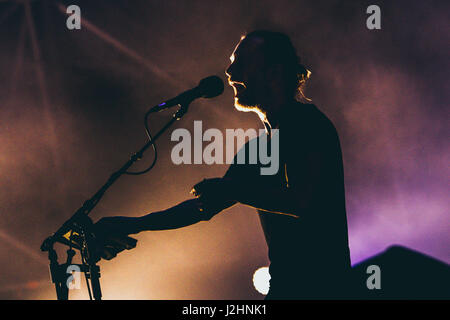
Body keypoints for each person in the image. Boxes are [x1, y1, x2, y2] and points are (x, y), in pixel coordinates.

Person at [94, 30, 352, 299]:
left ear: (274, 72)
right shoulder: (259, 147)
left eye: (241, 62)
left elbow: (302, 201)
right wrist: (132, 224)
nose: (229, 72)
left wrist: (233, 190)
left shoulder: (308, 125)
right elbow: (203, 207)